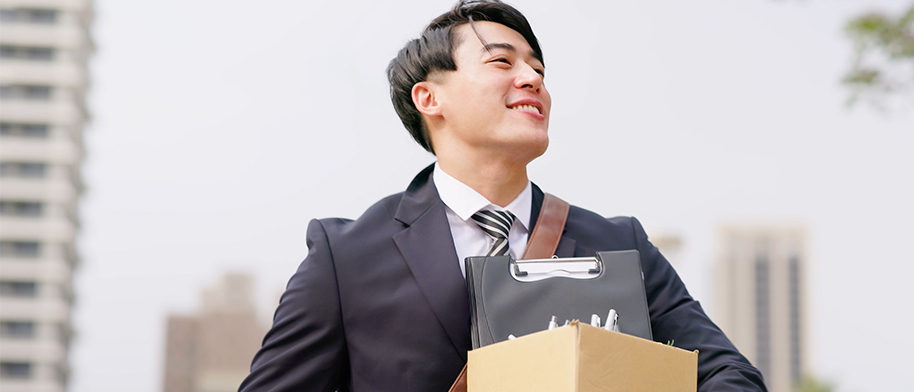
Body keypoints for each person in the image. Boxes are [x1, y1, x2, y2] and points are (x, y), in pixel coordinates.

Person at [238, 1, 766, 391]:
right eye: (501, 62)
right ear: (429, 97)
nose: (532, 77)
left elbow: (729, 373)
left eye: (538, 68)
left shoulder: (618, 244)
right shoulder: (346, 256)